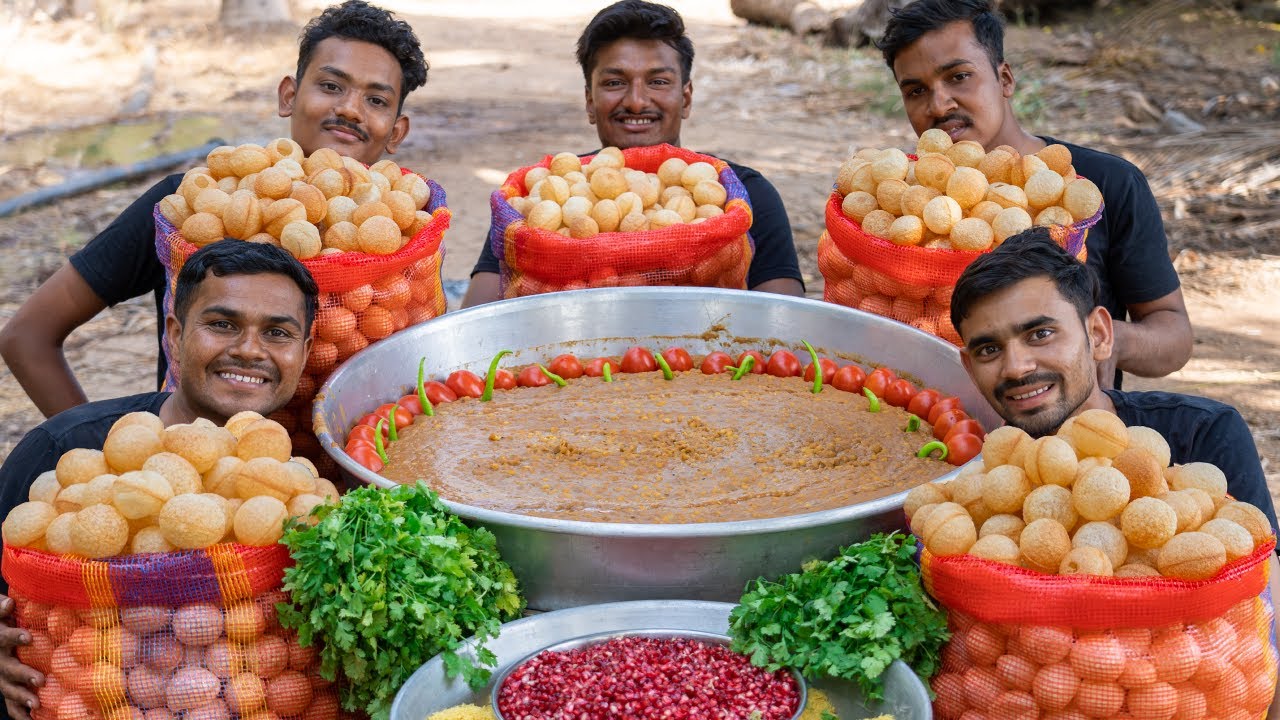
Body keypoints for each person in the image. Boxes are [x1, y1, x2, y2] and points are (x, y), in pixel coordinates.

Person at [0, 0, 426, 419]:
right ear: (289, 96)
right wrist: (94, 443)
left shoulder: (407, 232)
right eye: (331, 86)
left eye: (376, 100)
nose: (350, 108)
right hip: (201, 474)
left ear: (396, 131)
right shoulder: (187, 205)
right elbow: (28, 334)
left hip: (358, 483)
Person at [0, 240, 318, 719]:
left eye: (277, 332)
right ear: (174, 333)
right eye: (222, 324)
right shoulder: (61, 451)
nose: (249, 349)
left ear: (305, 351)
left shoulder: (303, 483)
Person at [878, 0, 1192, 390]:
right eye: (915, 90)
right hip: (931, 425)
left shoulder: (1102, 185)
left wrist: (1107, 338)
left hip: (1063, 443)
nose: (939, 105)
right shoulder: (898, 201)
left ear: (1005, 79)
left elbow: (1174, 334)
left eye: (959, 76)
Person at [461, 0, 805, 307]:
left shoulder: (746, 195)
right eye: (614, 82)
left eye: (658, 82)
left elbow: (784, 326)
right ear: (589, 101)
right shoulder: (535, 199)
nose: (637, 100)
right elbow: (479, 316)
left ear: (685, 99)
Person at [951, 228, 1278, 537]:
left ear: (1099, 335)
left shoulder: (1203, 434)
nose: (1016, 368)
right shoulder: (968, 479)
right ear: (968, 367)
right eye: (989, 349)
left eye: (1040, 334)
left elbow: (1268, 584)